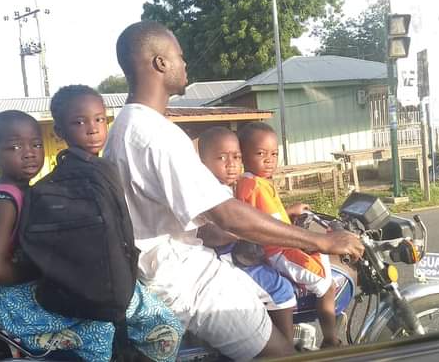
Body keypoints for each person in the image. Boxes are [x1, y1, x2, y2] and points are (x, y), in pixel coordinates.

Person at [105, 20, 364, 361]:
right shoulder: (155, 134)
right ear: (160, 63)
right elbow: (226, 213)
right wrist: (322, 242)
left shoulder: (124, 127)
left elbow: (179, 218)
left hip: (167, 272)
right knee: (279, 354)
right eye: (180, 57)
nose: (185, 65)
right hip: (189, 281)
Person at [0, 109, 180, 362]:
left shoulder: (28, 193)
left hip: (20, 295)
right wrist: (48, 269)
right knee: (99, 322)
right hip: (13, 306)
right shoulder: (4, 202)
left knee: (108, 302)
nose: (29, 152)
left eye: (36, 144)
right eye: (14, 147)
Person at [49, 85, 185, 361]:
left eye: (99, 119)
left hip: (95, 283)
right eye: (79, 122)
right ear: (59, 131)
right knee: (167, 329)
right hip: (108, 285)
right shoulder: (89, 174)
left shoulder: (94, 168)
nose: (92, 129)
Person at [235, 121, 342, 347]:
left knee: (323, 261)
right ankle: (331, 339)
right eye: (260, 153)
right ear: (243, 155)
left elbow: (265, 214)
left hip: (278, 244)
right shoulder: (253, 185)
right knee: (327, 285)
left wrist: (289, 211)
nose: (269, 159)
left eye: (274, 153)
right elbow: (269, 226)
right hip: (278, 249)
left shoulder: (254, 182)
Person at [196, 126, 297, 344]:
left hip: (236, 253)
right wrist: (243, 231)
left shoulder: (226, 187)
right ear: (203, 162)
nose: (231, 164)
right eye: (221, 157)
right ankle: (287, 350)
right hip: (227, 259)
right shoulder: (208, 192)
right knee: (283, 290)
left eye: (236, 157)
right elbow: (210, 233)